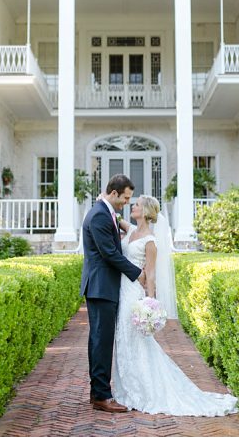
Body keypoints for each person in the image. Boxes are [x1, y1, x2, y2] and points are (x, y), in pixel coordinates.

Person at [111, 195, 239, 416]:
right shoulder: (131, 230)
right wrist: (105, 199)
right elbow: (112, 215)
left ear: (146, 211)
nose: (133, 206)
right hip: (121, 290)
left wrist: (149, 303)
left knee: (136, 341)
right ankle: (127, 388)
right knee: (123, 338)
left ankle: (142, 391)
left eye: (137, 204)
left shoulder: (150, 241)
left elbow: (150, 275)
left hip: (134, 292)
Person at [80, 174, 145, 413]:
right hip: (100, 287)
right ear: (114, 193)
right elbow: (109, 253)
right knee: (101, 341)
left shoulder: (104, 211)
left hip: (104, 286)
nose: (127, 202)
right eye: (125, 198)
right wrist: (137, 273)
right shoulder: (99, 215)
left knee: (100, 340)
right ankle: (101, 396)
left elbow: (112, 239)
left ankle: (97, 391)